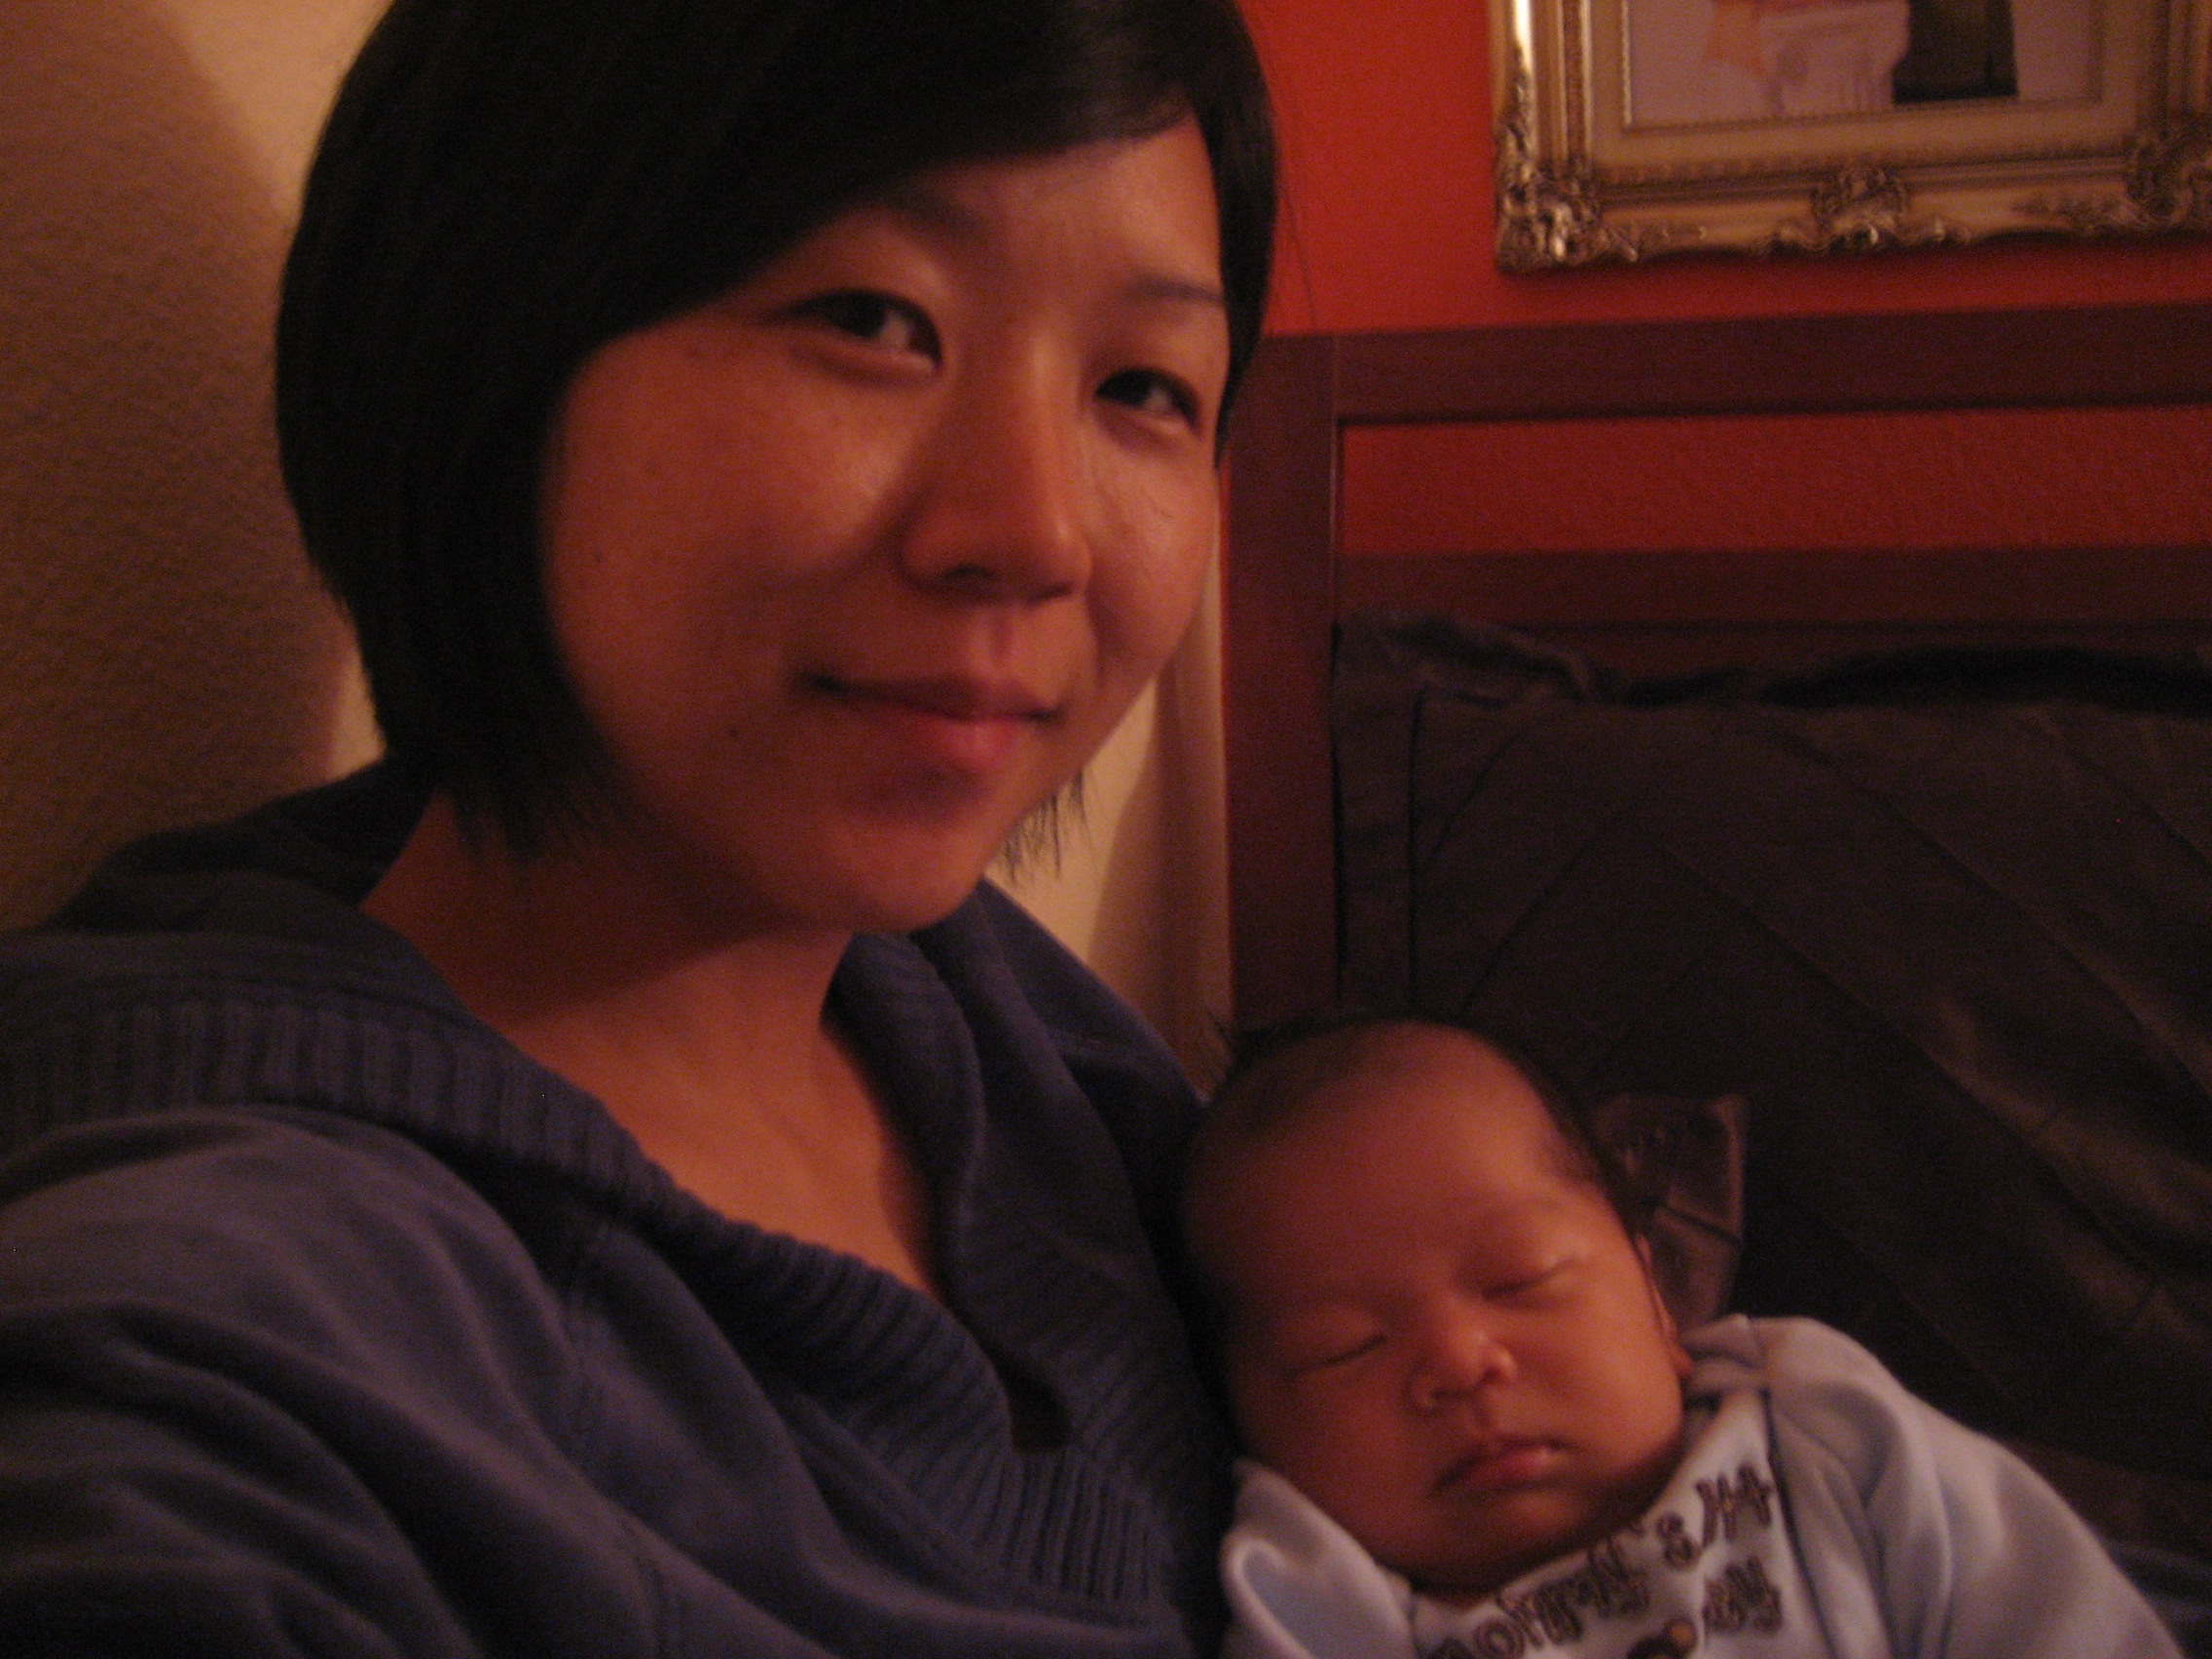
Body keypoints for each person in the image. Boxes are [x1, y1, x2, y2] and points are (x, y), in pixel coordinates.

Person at [0, 0, 1273, 1653]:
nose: (1034, 533)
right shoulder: (232, 1360)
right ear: (480, 332)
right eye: (872, 318)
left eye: (1144, 386)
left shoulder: (987, 1017)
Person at [1180, 1016, 2184, 1658]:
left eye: (1521, 1278)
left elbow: (2050, 1619)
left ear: (1659, 1305)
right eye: (1342, 1347)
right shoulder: (1311, 1594)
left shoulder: (1812, 1423)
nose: (1458, 1361)